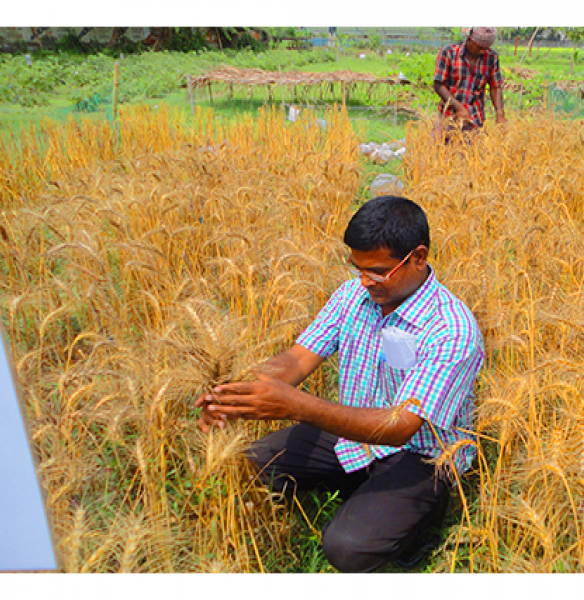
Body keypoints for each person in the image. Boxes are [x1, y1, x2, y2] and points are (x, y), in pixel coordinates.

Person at [195, 195, 484, 572]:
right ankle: (362, 492)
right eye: (357, 268)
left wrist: (295, 406)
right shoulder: (353, 296)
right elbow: (298, 359)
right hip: (351, 431)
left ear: (418, 257)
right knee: (249, 463)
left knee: (347, 548)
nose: (365, 281)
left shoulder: (453, 329)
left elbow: (400, 427)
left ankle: (421, 519)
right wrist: (238, 392)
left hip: (420, 454)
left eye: (378, 271)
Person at [433, 27, 507, 136]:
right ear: (470, 39)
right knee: (444, 150)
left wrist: (500, 113)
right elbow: (439, 84)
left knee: (474, 152)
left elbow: (495, 86)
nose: (483, 51)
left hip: (475, 118)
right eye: (480, 47)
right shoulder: (449, 52)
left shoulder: (491, 57)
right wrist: (459, 108)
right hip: (448, 117)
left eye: (486, 48)